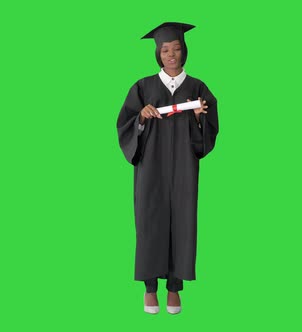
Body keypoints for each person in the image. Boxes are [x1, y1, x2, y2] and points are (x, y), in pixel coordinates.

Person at [116, 22, 219, 314]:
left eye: (175, 49)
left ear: (184, 50)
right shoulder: (143, 87)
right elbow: (124, 127)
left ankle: (174, 288)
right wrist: (141, 118)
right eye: (165, 50)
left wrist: (199, 118)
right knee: (150, 223)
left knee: (182, 223)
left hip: (184, 169)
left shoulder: (198, 88)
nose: (171, 55)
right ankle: (150, 288)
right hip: (151, 169)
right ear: (158, 54)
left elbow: (206, 141)